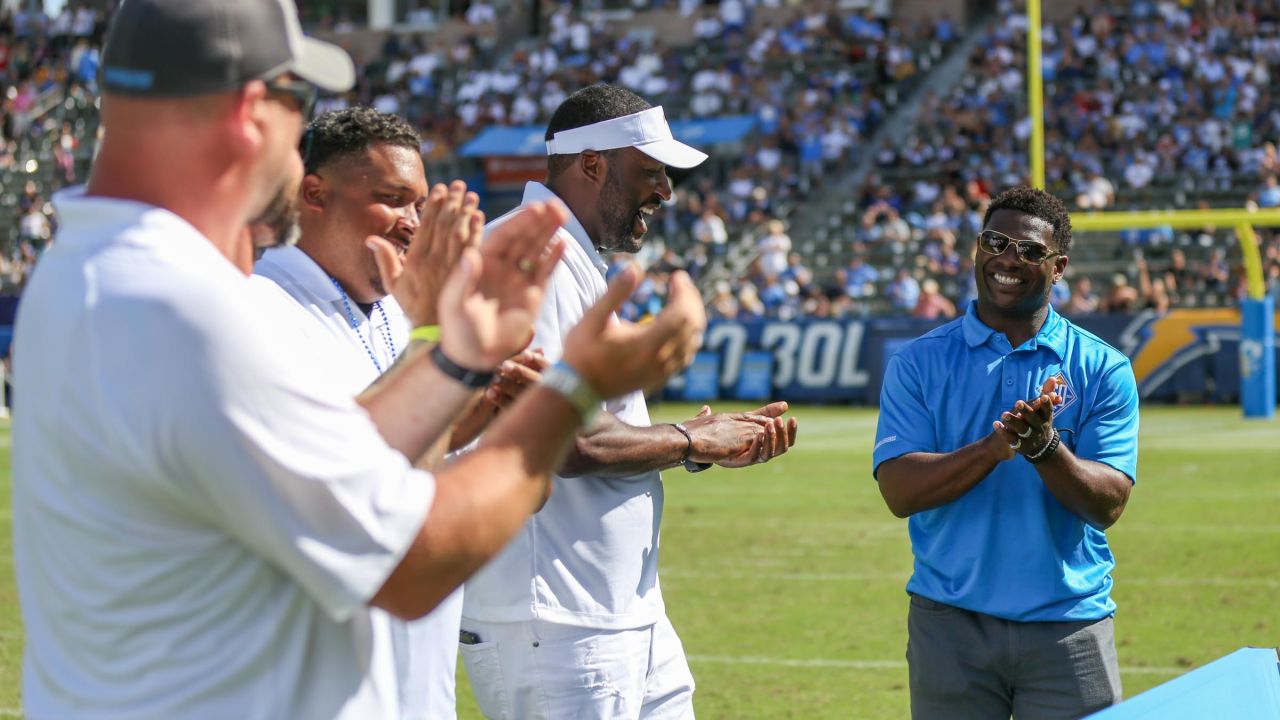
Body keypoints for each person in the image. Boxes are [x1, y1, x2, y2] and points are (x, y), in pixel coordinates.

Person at [10, 3, 706, 718]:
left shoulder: (89, 270)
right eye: (298, 104)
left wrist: (451, 353)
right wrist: (571, 391)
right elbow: (409, 562)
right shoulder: (185, 307)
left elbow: (348, 457)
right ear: (253, 110)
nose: (300, 145)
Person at [460, 84, 799, 720]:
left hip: (614, 609)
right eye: (651, 172)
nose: (666, 193)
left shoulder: (573, 258)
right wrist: (693, 440)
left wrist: (693, 444)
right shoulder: (532, 256)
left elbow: (594, 425)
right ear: (593, 163)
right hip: (557, 620)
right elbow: (562, 440)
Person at [254, 107, 546, 719]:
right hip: (327, 678)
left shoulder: (393, 308)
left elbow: (416, 459)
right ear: (315, 193)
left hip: (417, 664)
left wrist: (492, 409)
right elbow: (350, 472)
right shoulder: (261, 308)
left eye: (420, 204)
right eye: (393, 200)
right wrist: (443, 348)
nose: (413, 224)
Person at [873, 186, 1139, 720]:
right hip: (950, 625)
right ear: (976, 248)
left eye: (1030, 250)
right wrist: (995, 449)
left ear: (1058, 266)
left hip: (1069, 626)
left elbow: (1108, 505)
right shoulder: (918, 362)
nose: (1008, 259)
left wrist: (1046, 449)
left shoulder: (1103, 367)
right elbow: (900, 493)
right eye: (995, 241)